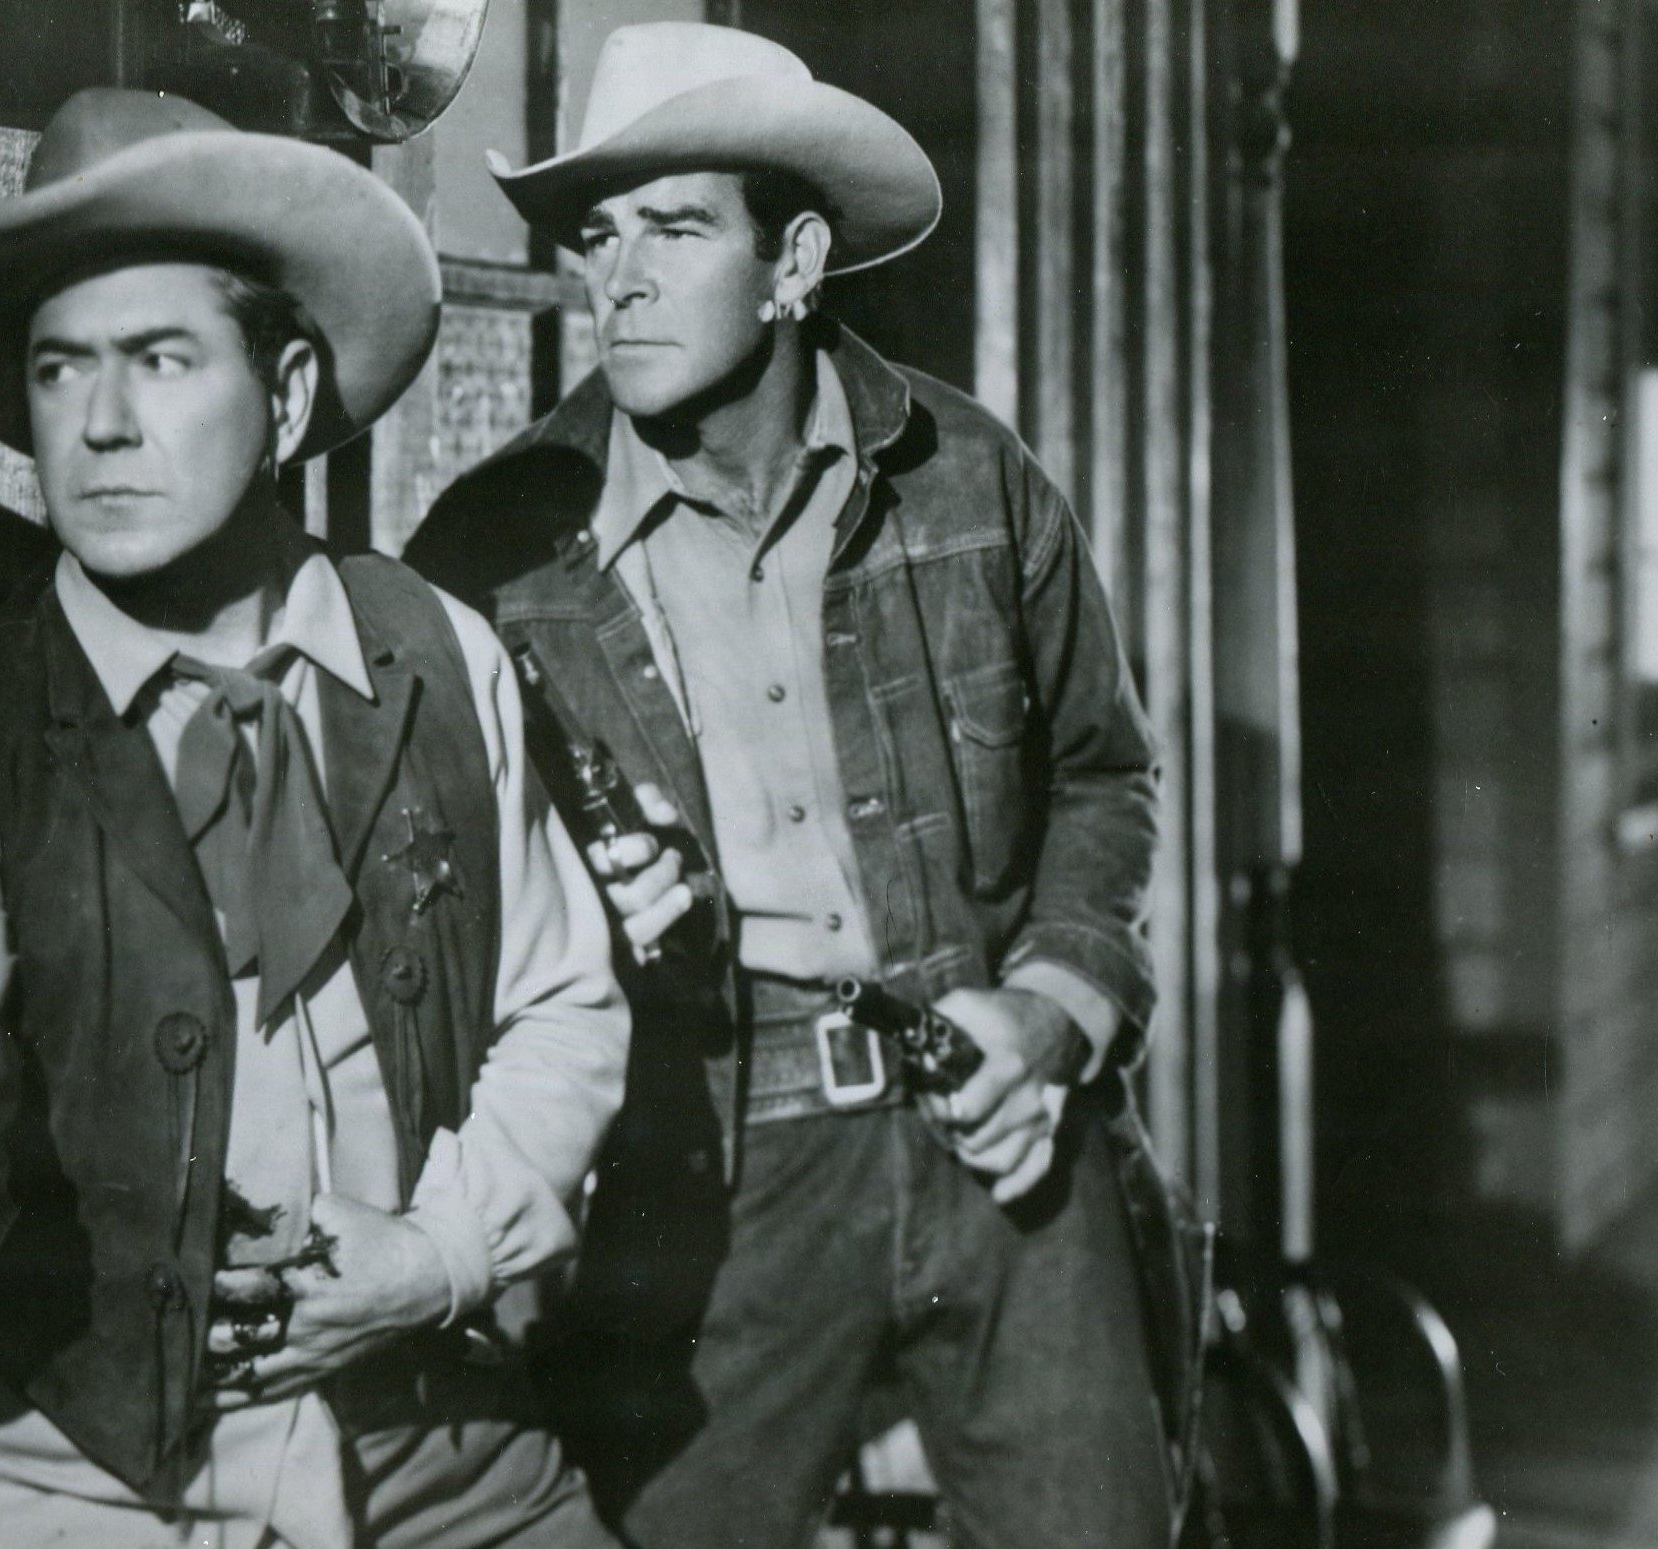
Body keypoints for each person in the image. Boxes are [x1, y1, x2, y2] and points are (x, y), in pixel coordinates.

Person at [0, 87, 630, 1549]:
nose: (101, 425)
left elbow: (563, 1008)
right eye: (60, 369)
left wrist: (437, 1254)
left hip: (453, 1473)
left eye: (161, 360)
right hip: (83, 1497)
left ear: (285, 397)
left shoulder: (440, 656)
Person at [406, 24, 1174, 1549]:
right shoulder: (495, 555)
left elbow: (1104, 775)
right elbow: (429, 920)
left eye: (675, 229)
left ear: (794, 261)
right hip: (703, 1163)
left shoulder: (969, 475)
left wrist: (1048, 1011)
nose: (618, 279)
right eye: (599, 236)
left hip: (997, 1126)